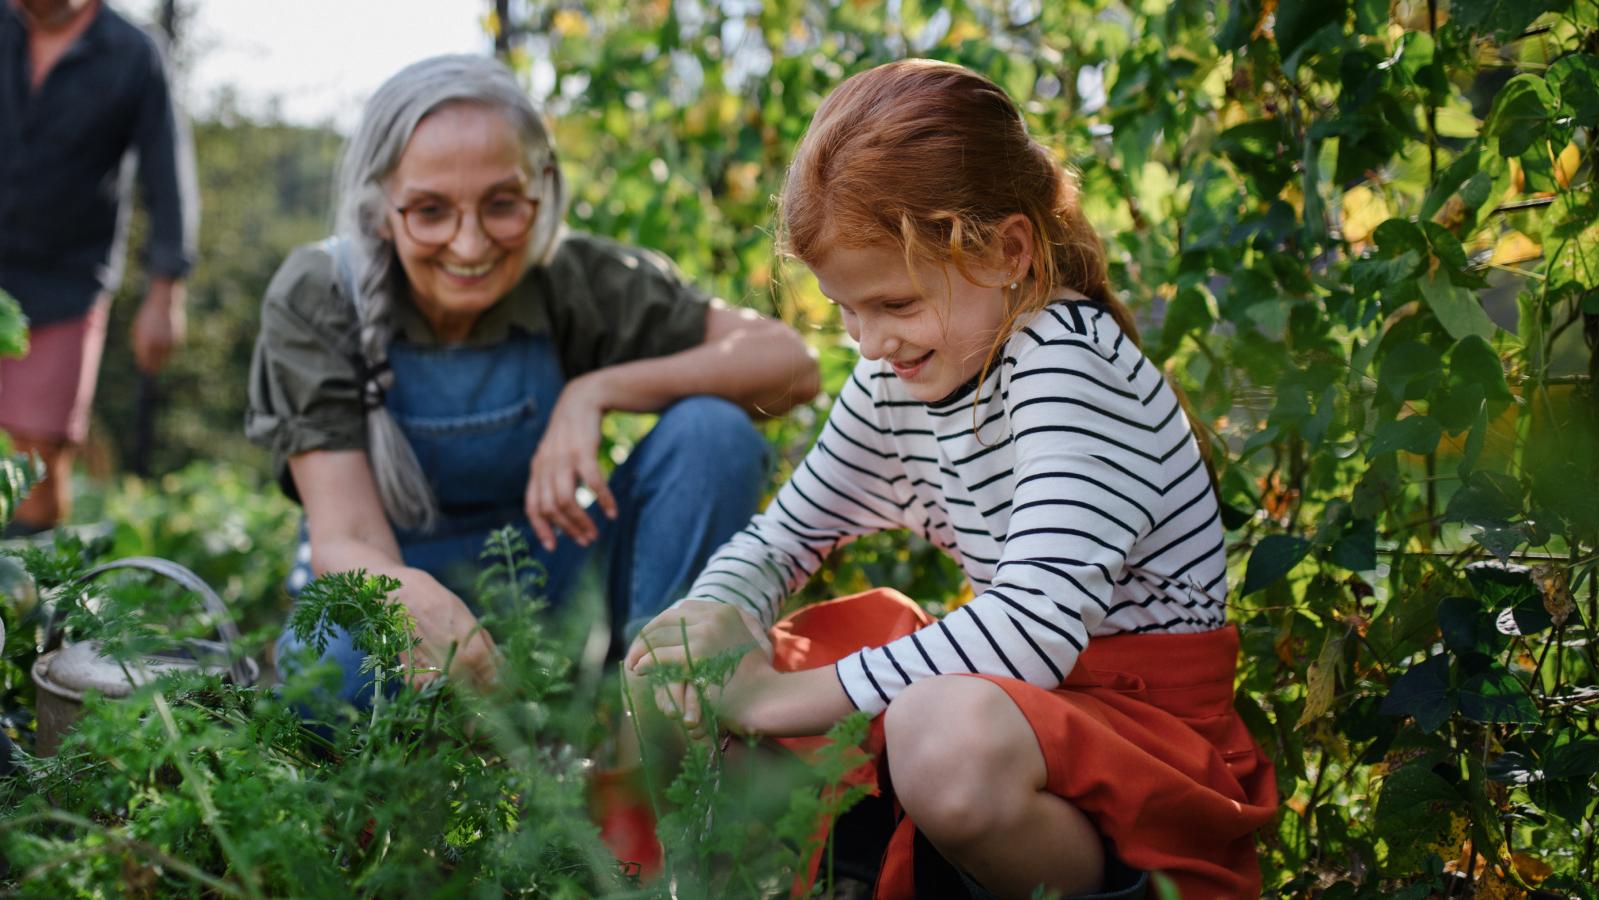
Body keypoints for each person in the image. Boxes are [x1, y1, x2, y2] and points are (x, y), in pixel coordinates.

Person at [627, 60, 1278, 899]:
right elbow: (785, 537)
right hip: (1027, 707)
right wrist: (717, 614)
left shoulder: (1066, 364)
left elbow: (1032, 629)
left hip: (1144, 738)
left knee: (943, 733)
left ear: (1008, 249)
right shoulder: (900, 375)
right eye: (845, 309)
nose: (867, 341)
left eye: (895, 305)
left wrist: (765, 700)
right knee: (672, 655)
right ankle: (755, 882)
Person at [244, 54, 819, 705]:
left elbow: (789, 364)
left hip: (551, 582)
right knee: (339, 671)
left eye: (502, 205)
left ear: (542, 190)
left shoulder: (572, 278)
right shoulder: (320, 293)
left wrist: (594, 393)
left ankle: (652, 710)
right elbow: (345, 540)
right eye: (430, 211)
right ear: (379, 208)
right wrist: (421, 613)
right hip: (388, 583)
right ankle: (477, 737)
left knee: (713, 433)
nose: (470, 245)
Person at [0, 0, 198, 536]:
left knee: (38, 460)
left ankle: (25, 604)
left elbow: (167, 177)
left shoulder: (132, 54)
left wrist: (165, 294)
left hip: (65, 283)